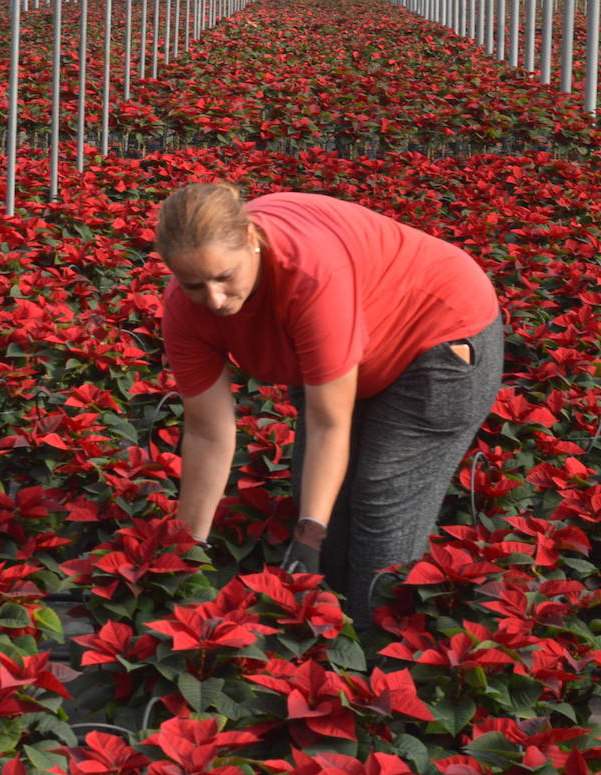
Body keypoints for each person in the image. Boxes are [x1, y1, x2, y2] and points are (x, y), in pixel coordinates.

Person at [156, 182, 504, 630]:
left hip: (437, 334)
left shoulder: (312, 274)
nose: (215, 300)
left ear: (250, 240)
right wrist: (188, 549)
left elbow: (327, 426)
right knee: (322, 503)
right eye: (194, 285)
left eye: (224, 278)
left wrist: (308, 534)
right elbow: (208, 433)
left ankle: (381, 667)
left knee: (382, 501)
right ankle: (328, 649)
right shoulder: (184, 312)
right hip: (354, 344)